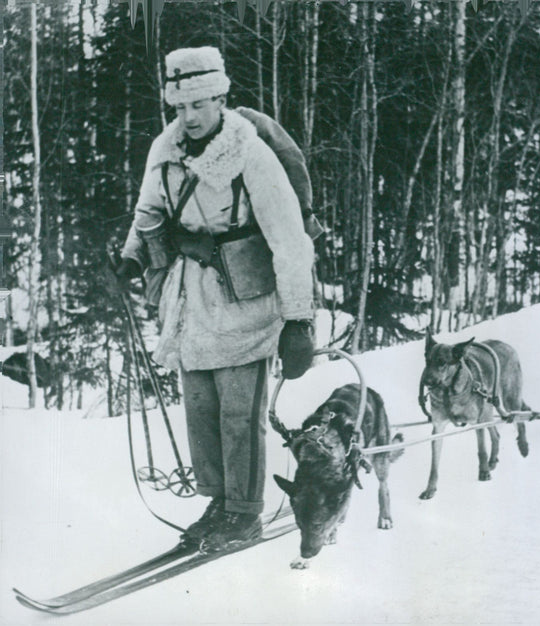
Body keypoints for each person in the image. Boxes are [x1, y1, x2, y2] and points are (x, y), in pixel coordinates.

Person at [114, 46, 316, 551]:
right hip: (191, 301)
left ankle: (244, 511)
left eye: (199, 105)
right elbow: (149, 212)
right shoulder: (165, 150)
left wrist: (299, 320)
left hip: (247, 300)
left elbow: (290, 241)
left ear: (221, 98)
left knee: (238, 411)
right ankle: (219, 501)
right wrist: (132, 257)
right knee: (200, 407)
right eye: (180, 107)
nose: (189, 117)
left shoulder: (250, 153)